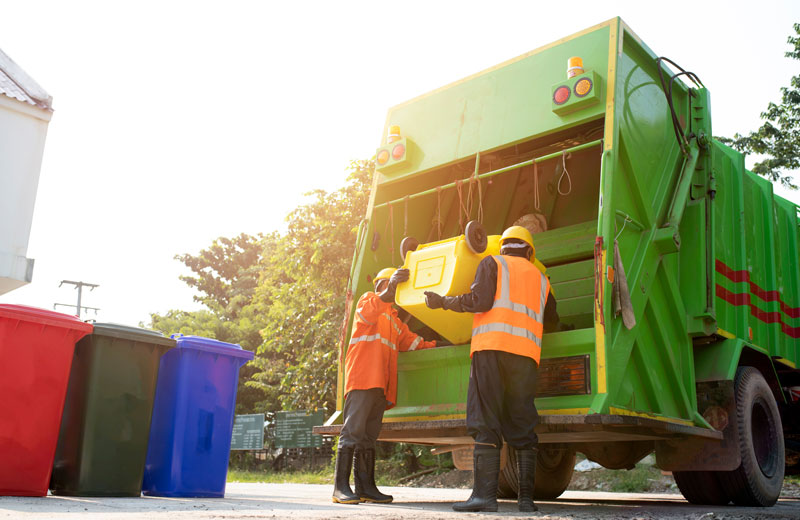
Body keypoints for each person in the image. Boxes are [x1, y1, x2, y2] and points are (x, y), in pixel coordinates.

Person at [424, 226, 560, 513]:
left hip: (491, 350)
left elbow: (480, 301)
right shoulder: (542, 279)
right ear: (529, 251)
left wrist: (442, 302)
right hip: (525, 357)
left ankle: (485, 497)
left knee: (485, 419)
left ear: (503, 247)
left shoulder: (492, 263)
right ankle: (526, 500)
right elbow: (553, 321)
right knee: (522, 422)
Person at [333, 267, 446, 505]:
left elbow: (415, 343)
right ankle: (340, 488)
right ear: (383, 285)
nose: (396, 293)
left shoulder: (394, 321)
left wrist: (442, 344)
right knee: (352, 432)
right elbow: (369, 311)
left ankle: (365, 488)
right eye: (393, 287)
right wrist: (388, 290)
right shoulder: (368, 301)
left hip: (378, 387)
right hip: (362, 379)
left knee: (368, 437)